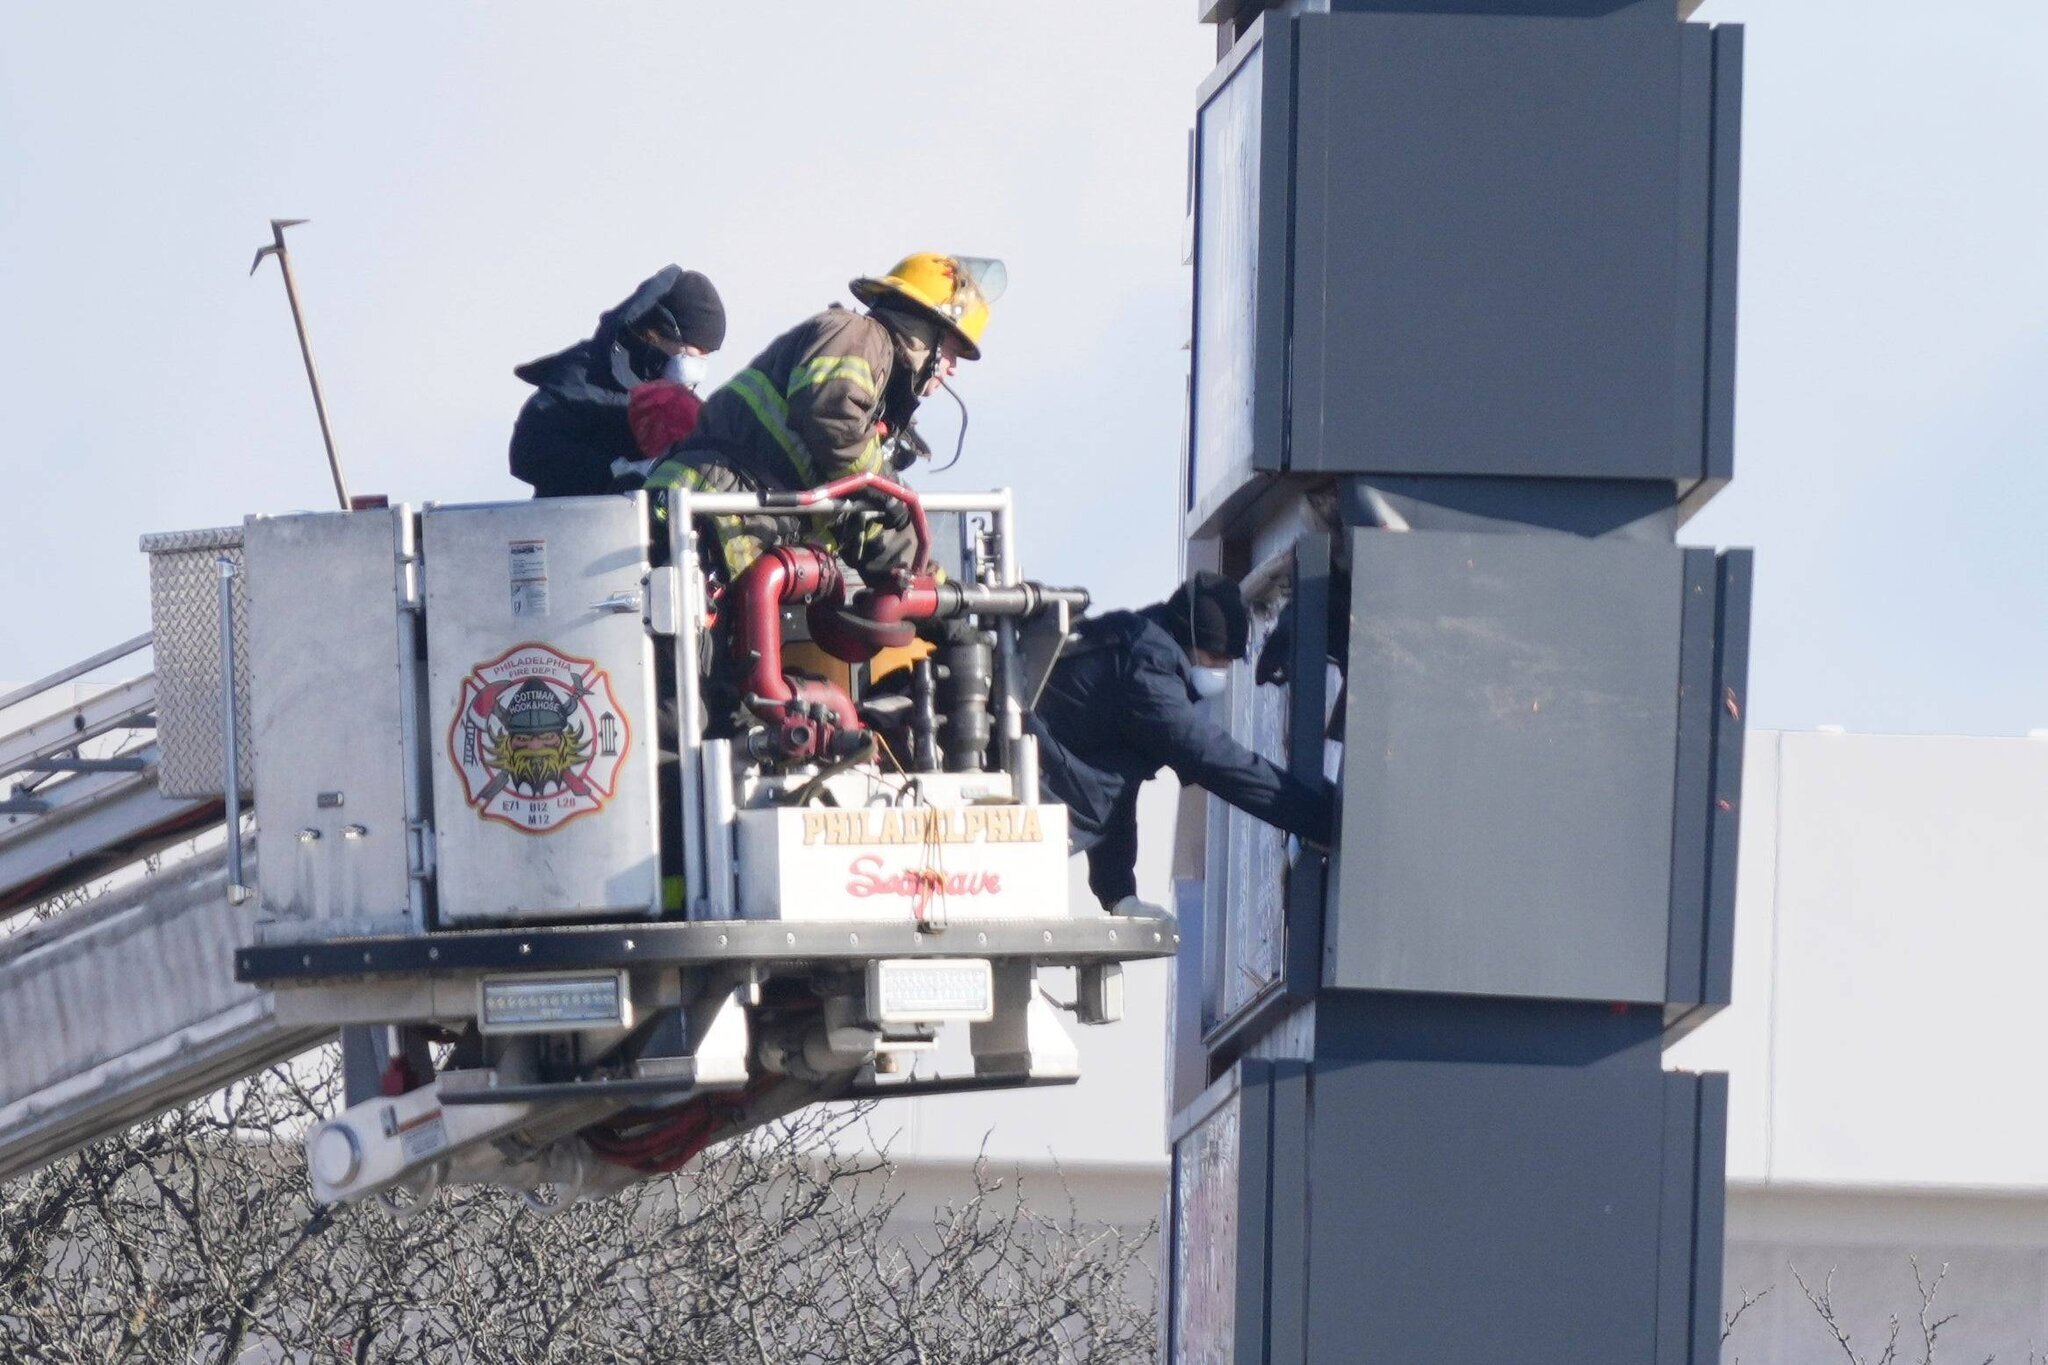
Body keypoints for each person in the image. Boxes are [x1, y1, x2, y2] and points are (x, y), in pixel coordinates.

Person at [637, 252, 1004, 581]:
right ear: (925, 332)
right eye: (954, 351)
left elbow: (866, 524)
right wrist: (887, 487)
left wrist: (943, 598)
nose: (953, 369)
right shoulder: (857, 335)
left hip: (728, 532)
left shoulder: (875, 406)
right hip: (696, 519)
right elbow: (832, 415)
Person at [1029, 572, 1333, 914]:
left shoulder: (1135, 641)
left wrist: (1118, 894)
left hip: (1048, 784)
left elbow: (1114, 779)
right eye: (1215, 659)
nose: (1220, 671)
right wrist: (1322, 817)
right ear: (1191, 640)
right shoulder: (1148, 668)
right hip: (1033, 794)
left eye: (1228, 663)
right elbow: (1210, 758)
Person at [509, 266, 726, 498]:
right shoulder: (585, 375)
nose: (700, 364)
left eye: (707, 355)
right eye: (698, 350)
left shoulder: (675, 399)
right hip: (579, 524)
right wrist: (616, 471)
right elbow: (529, 450)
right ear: (663, 331)